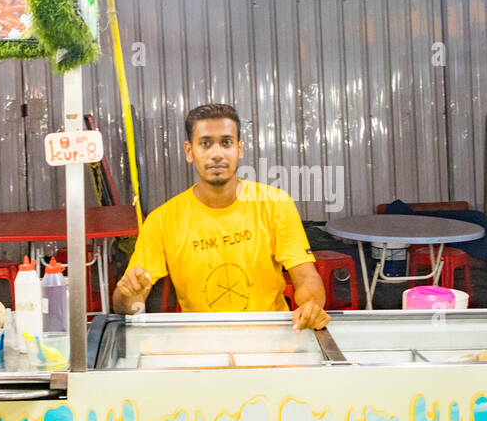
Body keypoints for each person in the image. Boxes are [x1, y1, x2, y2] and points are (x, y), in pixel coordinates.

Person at [112, 103, 329, 330]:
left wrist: (311, 306)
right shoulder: (162, 220)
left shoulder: (275, 204)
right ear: (189, 151)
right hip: (202, 348)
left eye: (226, 143)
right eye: (205, 144)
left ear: (239, 149)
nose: (217, 154)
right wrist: (128, 296)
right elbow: (127, 305)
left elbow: (306, 278)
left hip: (270, 342)